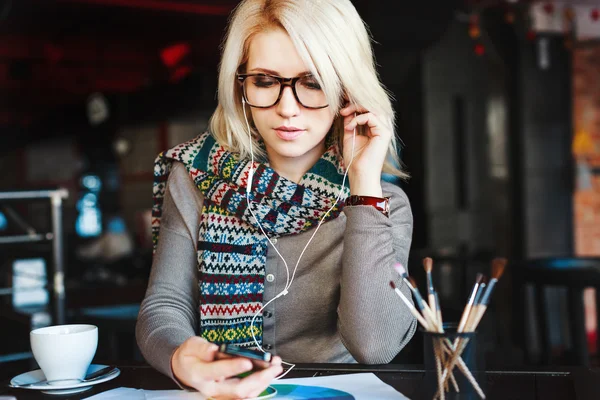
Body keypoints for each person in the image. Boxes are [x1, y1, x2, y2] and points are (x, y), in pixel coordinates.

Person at [136, 0, 417, 398]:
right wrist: (181, 357)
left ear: (346, 90)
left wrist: (364, 186)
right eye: (265, 82)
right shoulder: (195, 178)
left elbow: (375, 347)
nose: (287, 109)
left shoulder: (383, 202)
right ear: (240, 85)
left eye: (313, 82)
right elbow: (164, 305)